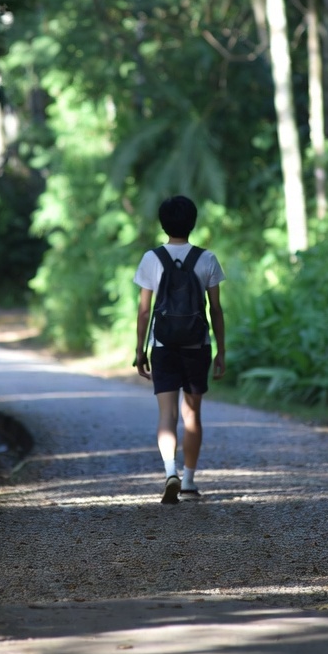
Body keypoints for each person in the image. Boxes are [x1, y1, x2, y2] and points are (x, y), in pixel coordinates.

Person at [133, 195, 226, 505]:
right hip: (197, 345)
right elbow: (215, 309)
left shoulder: (151, 259)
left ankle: (169, 471)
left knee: (166, 414)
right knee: (192, 414)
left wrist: (139, 350)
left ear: (163, 224)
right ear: (193, 222)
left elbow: (144, 311)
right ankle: (188, 481)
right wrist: (221, 351)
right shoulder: (207, 259)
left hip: (163, 345)